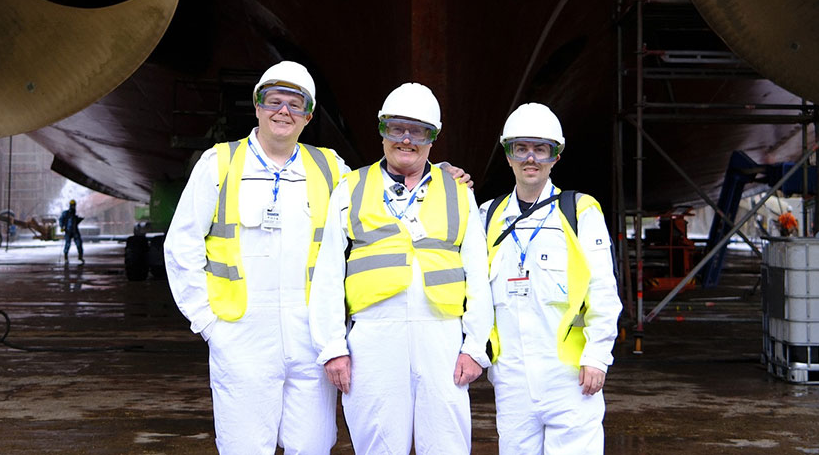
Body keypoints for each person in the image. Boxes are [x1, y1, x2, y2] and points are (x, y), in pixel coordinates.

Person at [163, 62, 472, 453]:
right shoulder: (220, 164)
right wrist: (208, 323)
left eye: (296, 105)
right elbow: (181, 246)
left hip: (309, 335)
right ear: (257, 106)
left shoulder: (329, 168)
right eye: (274, 101)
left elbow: (383, 182)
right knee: (244, 446)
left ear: (309, 115)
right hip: (241, 332)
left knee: (312, 444)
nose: (283, 112)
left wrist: (435, 172)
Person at [309, 82, 492, 454]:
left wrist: (475, 347)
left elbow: (478, 273)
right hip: (373, 338)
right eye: (396, 128)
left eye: (418, 130)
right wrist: (332, 347)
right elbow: (327, 274)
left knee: (446, 445)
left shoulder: (459, 190)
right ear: (382, 131)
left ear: (433, 138)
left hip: (441, 336)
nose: (406, 139)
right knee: (377, 444)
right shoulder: (351, 187)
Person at [479, 103, 623, 455]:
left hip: (570, 378)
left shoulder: (580, 212)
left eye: (541, 149)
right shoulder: (486, 216)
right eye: (521, 148)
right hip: (511, 378)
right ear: (508, 155)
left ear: (556, 157)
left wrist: (597, 356)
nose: (531, 159)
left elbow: (603, 289)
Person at [59, 199, 84, 263]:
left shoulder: (74, 214)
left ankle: (80, 256)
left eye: (74, 205)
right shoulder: (66, 213)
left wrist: (79, 219)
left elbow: (75, 222)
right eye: (72, 205)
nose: (73, 207)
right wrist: (62, 227)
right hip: (68, 231)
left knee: (79, 244)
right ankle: (66, 257)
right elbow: (61, 220)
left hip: (75, 231)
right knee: (67, 244)